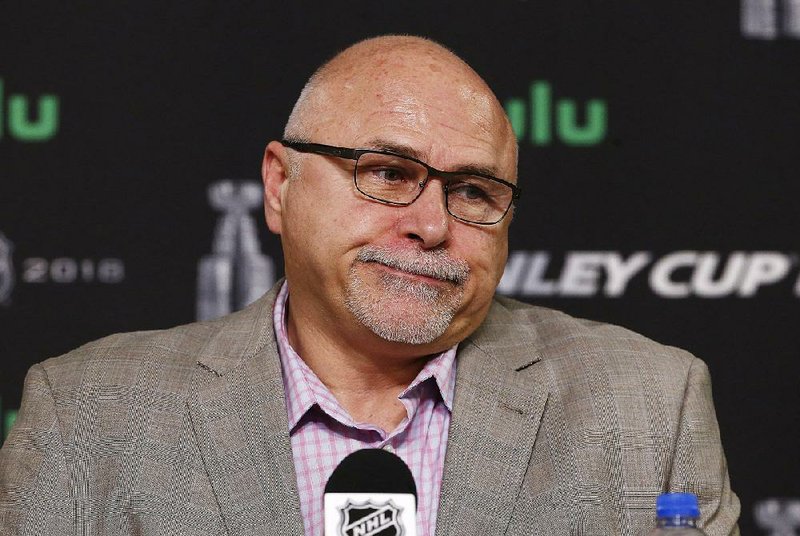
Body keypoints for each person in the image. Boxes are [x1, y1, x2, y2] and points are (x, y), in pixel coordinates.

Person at [0, 35, 739, 535]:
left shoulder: (651, 402)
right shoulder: (88, 414)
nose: (430, 224)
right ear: (280, 186)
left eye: (475, 192)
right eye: (388, 174)